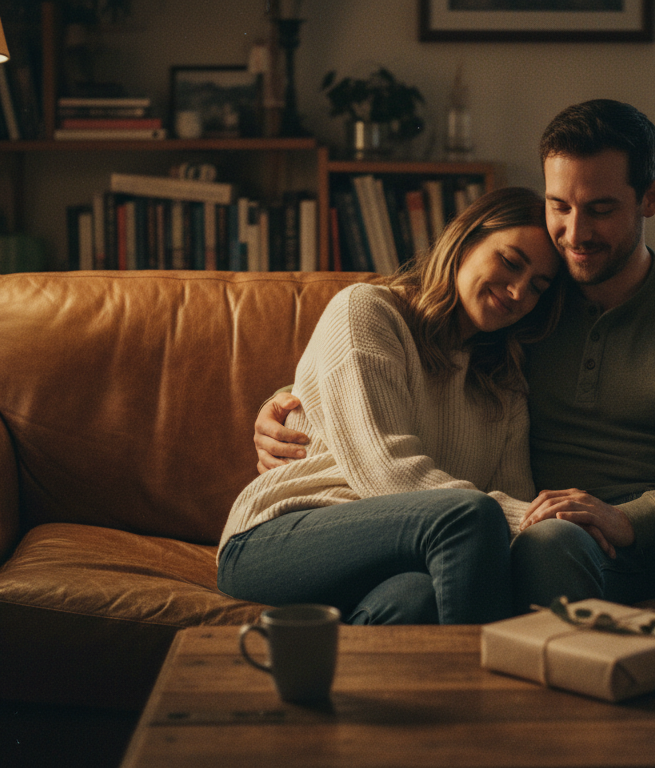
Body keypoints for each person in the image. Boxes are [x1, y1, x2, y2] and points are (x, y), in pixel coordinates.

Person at [255, 100, 655, 621]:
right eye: (559, 205)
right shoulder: (530, 309)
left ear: (651, 198)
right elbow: (412, 363)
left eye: (602, 209)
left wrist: (636, 518)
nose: (574, 232)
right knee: (548, 544)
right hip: (567, 536)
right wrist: (291, 404)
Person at [218, 186, 565, 625]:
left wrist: (544, 522)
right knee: (470, 515)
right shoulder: (367, 311)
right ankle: (492, 692)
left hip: (398, 557)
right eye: (510, 262)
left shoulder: (505, 382)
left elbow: (513, 494)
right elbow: (386, 469)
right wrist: (529, 517)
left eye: (537, 287)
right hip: (276, 538)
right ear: (464, 239)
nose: (518, 292)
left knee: (416, 600)